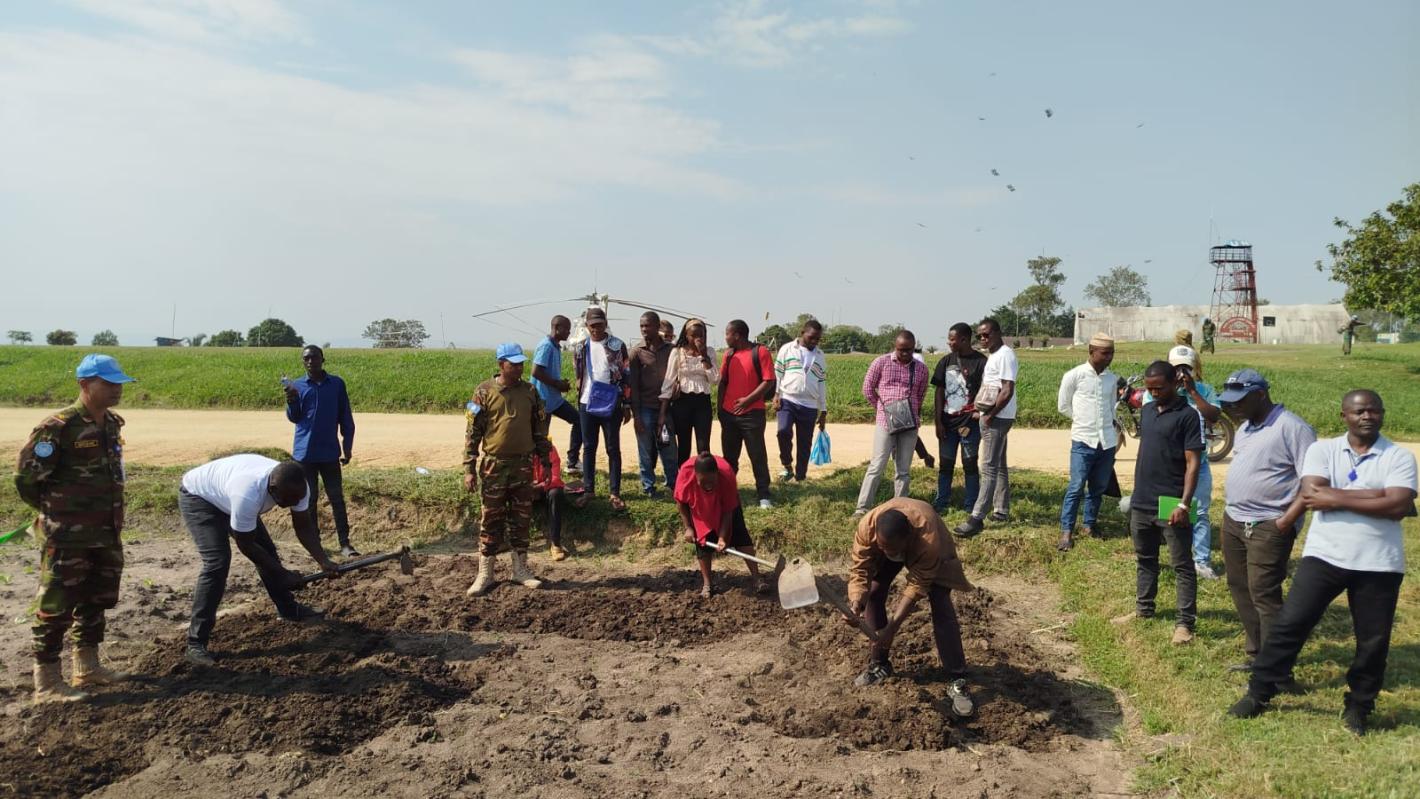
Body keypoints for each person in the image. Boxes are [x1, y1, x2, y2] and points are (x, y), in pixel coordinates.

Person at [1229, 390, 1417, 735]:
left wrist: (1336, 497)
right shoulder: (1323, 450)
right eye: (1359, 411)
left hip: (1379, 563)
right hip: (1325, 556)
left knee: (1372, 642)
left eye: (1374, 410)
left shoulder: (1399, 457)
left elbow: (1398, 506)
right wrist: (1376, 495)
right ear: (1344, 415)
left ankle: (1359, 706)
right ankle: (1259, 692)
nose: (1367, 416)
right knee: (1289, 625)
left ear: (1382, 414)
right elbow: (1312, 493)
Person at [16, 354, 137, 702]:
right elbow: (26, 479)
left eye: (119, 383)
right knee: (56, 604)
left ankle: (87, 667)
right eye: (108, 383)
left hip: (105, 530)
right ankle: (47, 682)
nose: (117, 389)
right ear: (84, 384)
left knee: (95, 599)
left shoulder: (111, 424)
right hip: (67, 535)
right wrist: (55, 513)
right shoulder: (57, 428)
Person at [179, 454, 340, 666]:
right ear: (273, 489)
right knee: (217, 562)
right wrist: (283, 575)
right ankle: (195, 643)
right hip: (200, 498)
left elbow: (303, 527)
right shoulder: (248, 494)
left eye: (297, 499)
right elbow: (246, 545)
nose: (294, 503)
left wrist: (323, 561)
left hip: (228, 492)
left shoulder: (298, 488)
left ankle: (288, 609)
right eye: (289, 500)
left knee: (267, 552)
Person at [1218, 369, 1316, 675]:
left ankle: (1277, 670)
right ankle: (1257, 654)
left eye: (1239, 400)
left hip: (1268, 526)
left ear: (1260, 395)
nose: (1233, 406)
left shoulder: (1293, 428)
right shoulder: (1245, 428)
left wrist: (1284, 522)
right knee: (1240, 587)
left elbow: (1311, 484)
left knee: (1264, 594)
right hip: (1234, 521)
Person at [845, 498, 975, 718]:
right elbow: (860, 569)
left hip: (929, 548)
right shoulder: (867, 527)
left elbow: (917, 586)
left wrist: (892, 627)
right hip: (891, 540)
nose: (888, 552)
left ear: (906, 541)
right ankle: (879, 664)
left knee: (941, 602)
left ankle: (957, 678)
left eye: (892, 549)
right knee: (874, 592)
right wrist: (856, 602)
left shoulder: (928, 540)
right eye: (883, 547)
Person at [1111, 360, 1202, 645]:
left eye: (1159, 388)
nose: (1154, 393)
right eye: (1150, 389)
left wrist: (1184, 505)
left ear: (1175, 382)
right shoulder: (1149, 410)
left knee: (1182, 565)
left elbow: (1193, 463)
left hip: (1171, 502)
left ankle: (1184, 624)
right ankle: (1143, 610)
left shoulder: (1188, 416)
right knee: (1145, 559)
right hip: (1142, 501)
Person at [465, 343, 553, 595]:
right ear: (500, 364)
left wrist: (545, 462)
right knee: (491, 519)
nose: (518, 368)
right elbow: (472, 433)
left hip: (523, 465)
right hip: (494, 465)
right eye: (513, 364)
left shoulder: (530, 391)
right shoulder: (483, 392)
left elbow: (540, 431)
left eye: (521, 364)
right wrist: (469, 468)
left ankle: (520, 570)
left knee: (521, 518)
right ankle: (485, 574)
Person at [1142, 345, 1222, 579]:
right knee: (1162, 510)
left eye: (1186, 368)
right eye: (1177, 368)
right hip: (1167, 465)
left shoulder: (1204, 390)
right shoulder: (1157, 391)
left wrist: (1193, 392)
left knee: (1200, 512)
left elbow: (1214, 417)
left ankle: (1202, 561)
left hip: (1198, 464)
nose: (1181, 373)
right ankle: (1169, 555)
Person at [284, 345, 358, 557]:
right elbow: (294, 417)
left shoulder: (336, 384)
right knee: (309, 500)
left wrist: (347, 446)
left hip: (329, 453)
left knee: (336, 498)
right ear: (303, 362)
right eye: (306, 359)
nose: (310, 362)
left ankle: (345, 544)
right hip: (304, 454)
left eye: (314, 357)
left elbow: (345, 416)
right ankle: (315, 544)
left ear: (322, 359)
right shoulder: (297, 386)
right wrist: (291, 401)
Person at [854, 331, 929, 515]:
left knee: (903, 469)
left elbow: (920, 395)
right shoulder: (881, 362)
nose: (905, 353)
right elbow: (867, 389)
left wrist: (913, 414)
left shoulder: (921, 369)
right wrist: (883, 409)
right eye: (901, 349)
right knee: (877, 465)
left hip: (909, 424)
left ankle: (899, 508)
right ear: (895, 346)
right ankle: (862, 508)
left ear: (914, 348)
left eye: (909, 350)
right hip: (885, 422)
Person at [954, 319, 1017, 536]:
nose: (983, 338)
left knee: (988, 467)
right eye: (980, 335)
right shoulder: (995, 355)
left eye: (987, 334)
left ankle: (977, 517)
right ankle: (1001, 509)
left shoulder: (1005, 355)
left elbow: (1007, 390)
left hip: (997, 418)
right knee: (998, 464)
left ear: (998, 333)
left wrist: (990, 414)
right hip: (993, 415)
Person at [1056, 333, 1118, 551]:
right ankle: (1066, 532)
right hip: (1083, 440)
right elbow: (1063, 406)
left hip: (1106, 442)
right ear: (1092, 352)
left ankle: (1088, 525)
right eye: (1105, 353)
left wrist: (1112, 430)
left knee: (1098, 487)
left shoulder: (1111, 379)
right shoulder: (1074, 375)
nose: (1109, 357)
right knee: (1076, 486)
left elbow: (1112, 408)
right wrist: (1082, 420)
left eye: (1112, 353)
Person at [675, 453, 767, 598]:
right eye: (703, 482)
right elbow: (681, 502)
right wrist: (689, 528)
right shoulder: (685, 475)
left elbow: (728, 511)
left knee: (741, 537)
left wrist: (722, 537)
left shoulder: (727, 476)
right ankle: (707, 584)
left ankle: (757, 578)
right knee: (703, 543)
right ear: (695, 476)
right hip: (699, 507)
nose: (708, 485)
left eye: (712, 481)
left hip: (724, 505)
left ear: (717, 474)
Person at [574, 307, 632, 511]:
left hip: (611, 403)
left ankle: (615, 492)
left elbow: (626, 375)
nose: (596, 328)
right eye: (592, 325)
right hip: (586, 403)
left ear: (606, 324)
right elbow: (579, 375)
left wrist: (626, 403)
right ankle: (588, 490)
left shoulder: (617, 345)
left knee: (612, 448)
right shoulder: (580, 347)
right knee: (589, 447)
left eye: (600, 324)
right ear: (587, 326)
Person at [718, 319, 776, 508]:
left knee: (757, 455)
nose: (725, 337)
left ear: (737, 335)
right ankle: (728, 493)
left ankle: (764, 495)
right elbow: (723, 382)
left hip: (752, 414)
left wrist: (748, 400)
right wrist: (720, 409)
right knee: (729, 458)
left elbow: (768, 381)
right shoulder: (729, 354)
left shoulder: (760, 352)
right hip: (729, 414)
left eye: (727, 334)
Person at [931, 323, 987, 513]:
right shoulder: (946, 362)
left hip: (970, 424)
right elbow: (939, 392)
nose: (949, 342)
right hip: (947, 423)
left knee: (969, 464)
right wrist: (938, 421)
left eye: (952, 339)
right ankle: (941, 502)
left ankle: (971, 504)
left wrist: (978, 413)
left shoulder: (981, 362)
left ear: (964, 340)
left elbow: (987, 391)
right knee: (945, 464)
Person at [629, 311, 679, 498]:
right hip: (645, 409)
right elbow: (633, 386)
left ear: (658, 327)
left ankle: (673, 484)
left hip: (665, 409)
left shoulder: (671, 350)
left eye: (647, 325)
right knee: (645, 450)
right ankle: (648, 487)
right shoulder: (636, 352)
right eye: (641, 326)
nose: (644, 329)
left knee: (668, 447)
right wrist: (636, 416)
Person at [659, 318, 720, 468]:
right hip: (682, 402)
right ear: (686, 335)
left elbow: (715, 380)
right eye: (693, 335)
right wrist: (663, 411)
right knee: (684, 445)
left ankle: (704, 476)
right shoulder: (677, 352)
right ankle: (684, 476)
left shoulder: (709, 352)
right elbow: (668, 382)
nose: (698, 339)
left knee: (703, 446)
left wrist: (704, 356)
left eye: (701, 335)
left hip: (702, 402)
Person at [773, 319, 828, 482]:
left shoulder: (820, 355)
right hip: (787, 399)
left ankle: (801, 477)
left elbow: (821, 383)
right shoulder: (787, 349)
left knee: (804, 443)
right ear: (802, 333)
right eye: (811, 337)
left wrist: (823, 410)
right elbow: (778, 374)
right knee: (783, 431)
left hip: (809, 405)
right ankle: (787, 465)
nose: (814, 341)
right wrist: (776, 395)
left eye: (817, 339)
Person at [532, 315, 583, 475]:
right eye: (567, 329)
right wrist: (556, 384)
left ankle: (572, 461)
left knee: (579, 421)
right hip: (542, 400)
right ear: (557, 328)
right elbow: (536, 371)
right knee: (541, 436)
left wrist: (561, 384)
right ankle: (539, 468)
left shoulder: (555, 346)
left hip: (553, 399)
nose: (569, 332)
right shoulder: (546, 346)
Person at [531, 439, 580, 562]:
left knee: (556, 493)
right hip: (526, 489)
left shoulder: (549, 449)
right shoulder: (519, 450)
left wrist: (537, 487)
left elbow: (554, 479)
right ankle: (503, 540)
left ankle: (555, 543)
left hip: (545, 488)